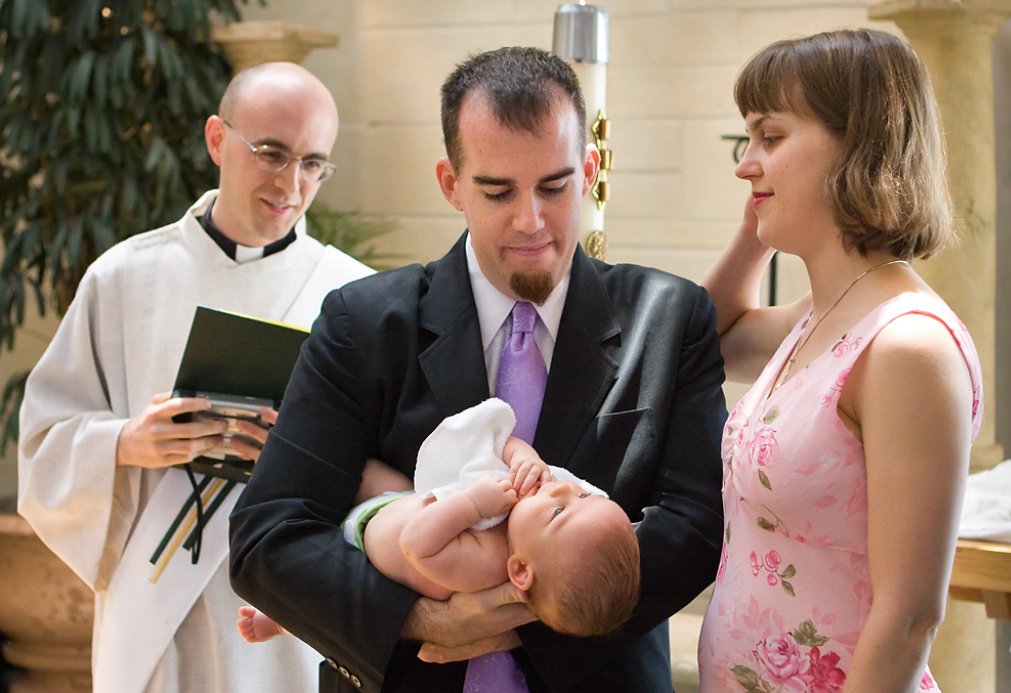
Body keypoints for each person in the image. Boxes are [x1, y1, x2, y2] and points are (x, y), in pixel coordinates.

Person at [229, 46, 727, 692]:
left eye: (554, 186)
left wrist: (514, 620)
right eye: (497, 192)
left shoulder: (669, 317)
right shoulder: (363, 323)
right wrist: (421, 619)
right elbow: (268, 537)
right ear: (451, 184)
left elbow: (695, 526)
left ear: (589, 171)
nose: (531, 221)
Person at [17, 62, 373, 692]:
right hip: (156, 615)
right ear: (216, 139)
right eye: (271, 154)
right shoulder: (124, 278)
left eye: (314, 163)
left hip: (285, 617)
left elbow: (395, 478)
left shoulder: (355, 295)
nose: (292, 184)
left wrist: (305, 457)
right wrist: (126, 442)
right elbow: (44, 443)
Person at [697, 29, 984, 692]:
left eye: (770, 137)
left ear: (858, 145)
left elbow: (909, 617)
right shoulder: (822, 315)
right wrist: (754, 229)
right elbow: (703, 341)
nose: (745, 165)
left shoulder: (907, 346)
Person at [237, 398, 640, 643]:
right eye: (583, 494)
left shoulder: (483, 565)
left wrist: (473, 505)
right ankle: (287, 448)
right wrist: (524, 458)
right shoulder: (527, 514)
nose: (561, 488)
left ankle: (281, 621)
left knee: (323, 598)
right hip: (401, 497)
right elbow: (502, 444)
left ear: (519, 571)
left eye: (559, 512)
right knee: (340, 466)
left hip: (363, 538)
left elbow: (417, 543)